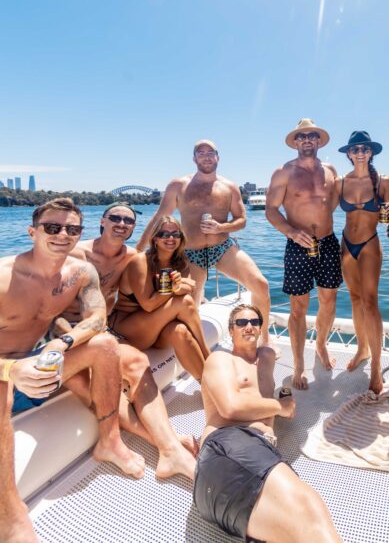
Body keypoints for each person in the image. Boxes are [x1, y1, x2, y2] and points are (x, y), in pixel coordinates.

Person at [0, 198, 144, 543]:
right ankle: (10, 516)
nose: (63, 235)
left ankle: (110, 442)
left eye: (72, 229)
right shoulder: (4, 276)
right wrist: (12, 370)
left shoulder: (80, 272)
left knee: (106, 345)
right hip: (6, 372)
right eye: (52, 227)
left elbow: (98, 319)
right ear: (32, 231)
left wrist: (60, 344)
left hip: (39, 361)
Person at [63, 202, 197, 479]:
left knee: (137, 360)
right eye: (115, 217)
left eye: (128, 220)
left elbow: (148, 280)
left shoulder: (131, 258)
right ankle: (168, 445)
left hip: (100, 330)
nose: (122, 223)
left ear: (135, 228)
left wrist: (180, 285)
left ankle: (170, 449)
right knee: (90, 380)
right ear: (102, 220)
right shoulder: (74, 253)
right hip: (68, 332)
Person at [194, 304, 342, 543]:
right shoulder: (220, 360)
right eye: (241, 323)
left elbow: (272, 388)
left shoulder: (267, 357)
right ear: (231, 331)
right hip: (227, 445)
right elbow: (230, 406)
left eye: (254, 322)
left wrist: (285, 396)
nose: (248, 326)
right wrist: (278, 407)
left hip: (242, 473)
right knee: (308, 506)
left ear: (261, 328)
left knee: (303, 524)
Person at [137, 140, 271, 345]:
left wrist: (221, 228)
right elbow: (159, 217)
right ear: (194, 158)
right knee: (190, 303)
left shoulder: (229, 186)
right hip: (191, 253)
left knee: (261, 285)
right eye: (201, 153)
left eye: (211, 152)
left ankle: (264, 342)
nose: (206, 156)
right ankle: (190, 348)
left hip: (223, 248)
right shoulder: (178, 185)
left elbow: (242, 220)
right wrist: (138, 251)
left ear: (218, 157)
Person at [266, 119, 342, 390]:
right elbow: (271, 210)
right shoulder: (283, 172)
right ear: (295, 142)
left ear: (319, 141)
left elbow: (331, 205)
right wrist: (291, 232)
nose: (307, 140)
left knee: (329, 300)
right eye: (302, 136)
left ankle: (320, 344)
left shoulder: (331, 170)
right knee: (298, 308)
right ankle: (299, 364)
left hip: (328, 242)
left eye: (312, 135)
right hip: (297, 244)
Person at [113, 215, 210, 381]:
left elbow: (187, 288)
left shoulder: (181, 262)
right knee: (184, 302)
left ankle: (207, 383)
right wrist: (174, 288)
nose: (171, 238)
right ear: (155, 239)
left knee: (179, 330)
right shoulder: (140, 262)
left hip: (158, 329)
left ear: (181, 238)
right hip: (128, 329)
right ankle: (209, 357)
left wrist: (179, 288)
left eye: (176, 234)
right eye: (164, 234)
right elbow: (149, 305)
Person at [335, 131, 389, 394]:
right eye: (355, 148)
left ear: (371, 152)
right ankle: (362, 349)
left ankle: (377, 368)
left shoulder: (383, 181)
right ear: (349, 153)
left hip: (370, 244)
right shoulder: (340, 182)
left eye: (365, 148)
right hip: (346, 245)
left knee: (370, 302)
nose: (360, 152)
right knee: (355, 300)